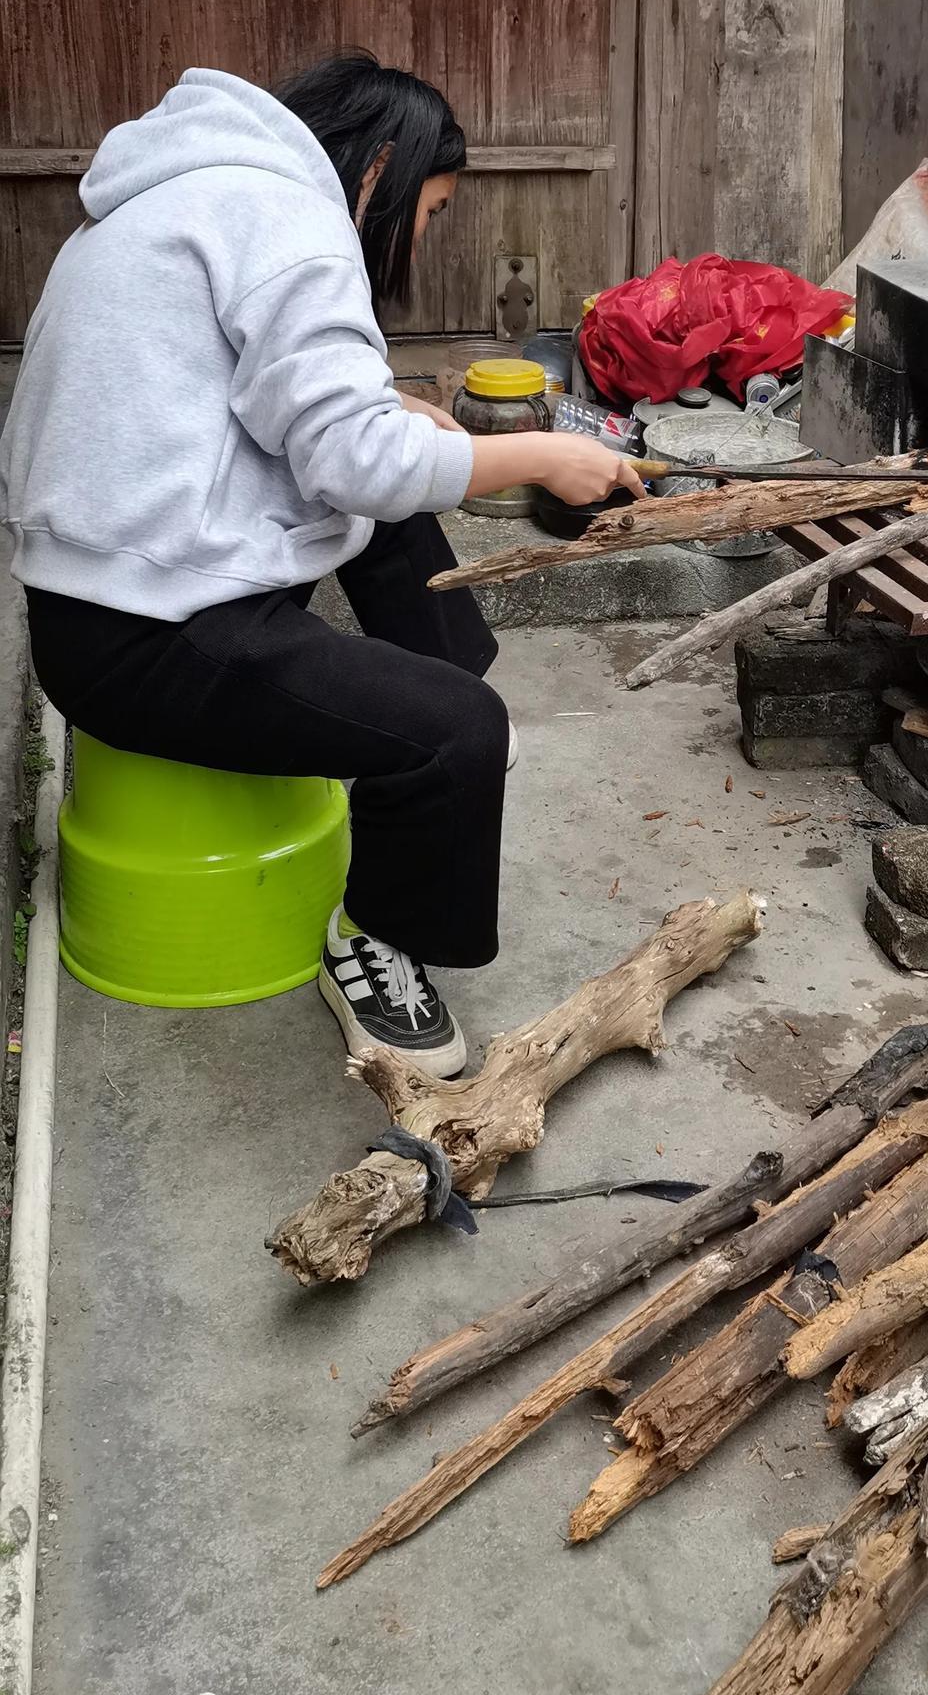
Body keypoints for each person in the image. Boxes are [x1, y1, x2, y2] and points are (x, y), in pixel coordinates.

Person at [0, 57, 643, 1079]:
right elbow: (351, 460)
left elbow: (241, 404)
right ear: (379, 166)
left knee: (386, 511)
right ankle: (375, 941)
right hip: (145, 637)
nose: (418, 241)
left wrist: (387, 408)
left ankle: (435, 718)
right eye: (427, 213)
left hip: (107, 588)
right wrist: (542, 456)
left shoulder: (192, 190)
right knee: (455, 734)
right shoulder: (290, 219)